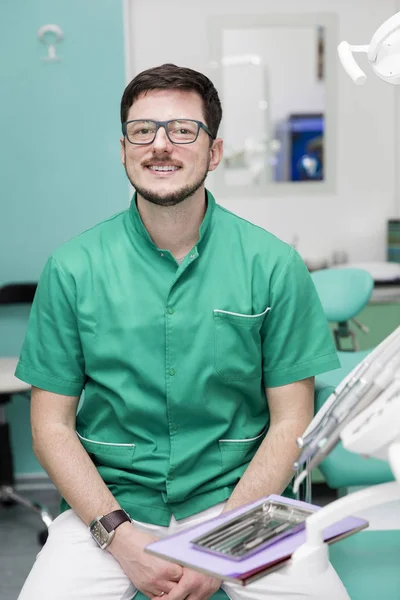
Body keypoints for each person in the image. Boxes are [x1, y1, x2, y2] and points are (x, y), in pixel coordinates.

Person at [15, 63, 350, 600]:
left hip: (239, 498)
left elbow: (292, 419)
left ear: (213, 151)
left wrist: (227, 541)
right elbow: (50, 428)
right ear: (124, 149)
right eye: (143, 131)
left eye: (183, 130)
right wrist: (116, 535)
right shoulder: (72, 268)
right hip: (112, 502)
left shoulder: (272, 265)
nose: (160, 145)